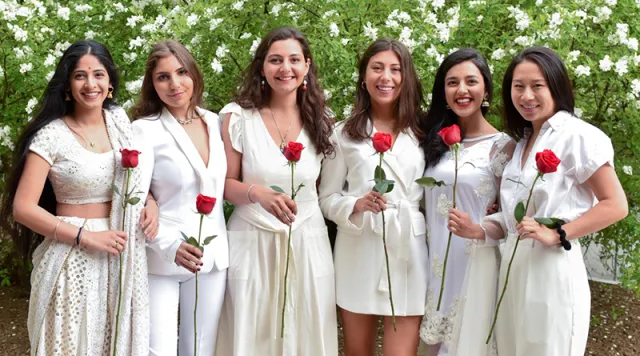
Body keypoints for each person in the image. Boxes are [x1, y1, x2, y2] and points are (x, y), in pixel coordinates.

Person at [458, 47, 628, 356]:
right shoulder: (519, 144)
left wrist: (559, 232)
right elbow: (516, 222)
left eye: (538, 86)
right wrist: (479, 228)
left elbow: (615, 204)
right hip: (512, 270)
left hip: (552, 270)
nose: (527, 96)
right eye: (518, 86)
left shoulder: (578, 136)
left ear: (556, 86)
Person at [0, 40, 152, 355]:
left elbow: (134, 180)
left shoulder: (119, 122)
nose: (90, 84)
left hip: (119, 254)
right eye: (80, 75)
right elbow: (23, 208)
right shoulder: (52, 135)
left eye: (98, 74)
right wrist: (86, 237)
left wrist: (150, 202)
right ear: (68, 83)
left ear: (110, 82)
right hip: (71, 257)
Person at [215, 27, 337, 356]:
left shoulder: (323, 120)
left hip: (308, 241)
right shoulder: (238, 116)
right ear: (262, 68)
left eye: (294, 59)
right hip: (252, 240)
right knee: (251, 332)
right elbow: (225, 185)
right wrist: (258, 194)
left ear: (307, 66)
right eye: (275, 60)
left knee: (308, 328)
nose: (286, 68)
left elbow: (327, 189)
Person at [319, 39, 427, 356]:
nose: (386, 77)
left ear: (406, 77)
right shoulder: (342, 134)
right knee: (357, 351)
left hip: (408, 248)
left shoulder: (423, 131)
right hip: (359, 248)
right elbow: (326, 198)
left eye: (395, 69)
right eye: (377, 68)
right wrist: (355, 204)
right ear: (364, 77)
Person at [131, 40, 229, 356]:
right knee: (156, 350)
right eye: (163, 77)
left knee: (200, 349)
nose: (174, 84)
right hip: (161, 256)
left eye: (181, 72)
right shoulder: (144, 130)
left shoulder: (216, 122)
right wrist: (169, 243)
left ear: (194, 74)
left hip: (211, 258)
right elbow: (133, 197)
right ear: (152, 84)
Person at [417, 49, 515, 356]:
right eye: (452, 82)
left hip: (477, 265)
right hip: (433, 267)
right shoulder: (430, 140)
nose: (461, 90)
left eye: (471, 81)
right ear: (443, 91)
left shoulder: (504, 146)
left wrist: (480, 228)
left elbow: (511, 218)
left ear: (485, 88)